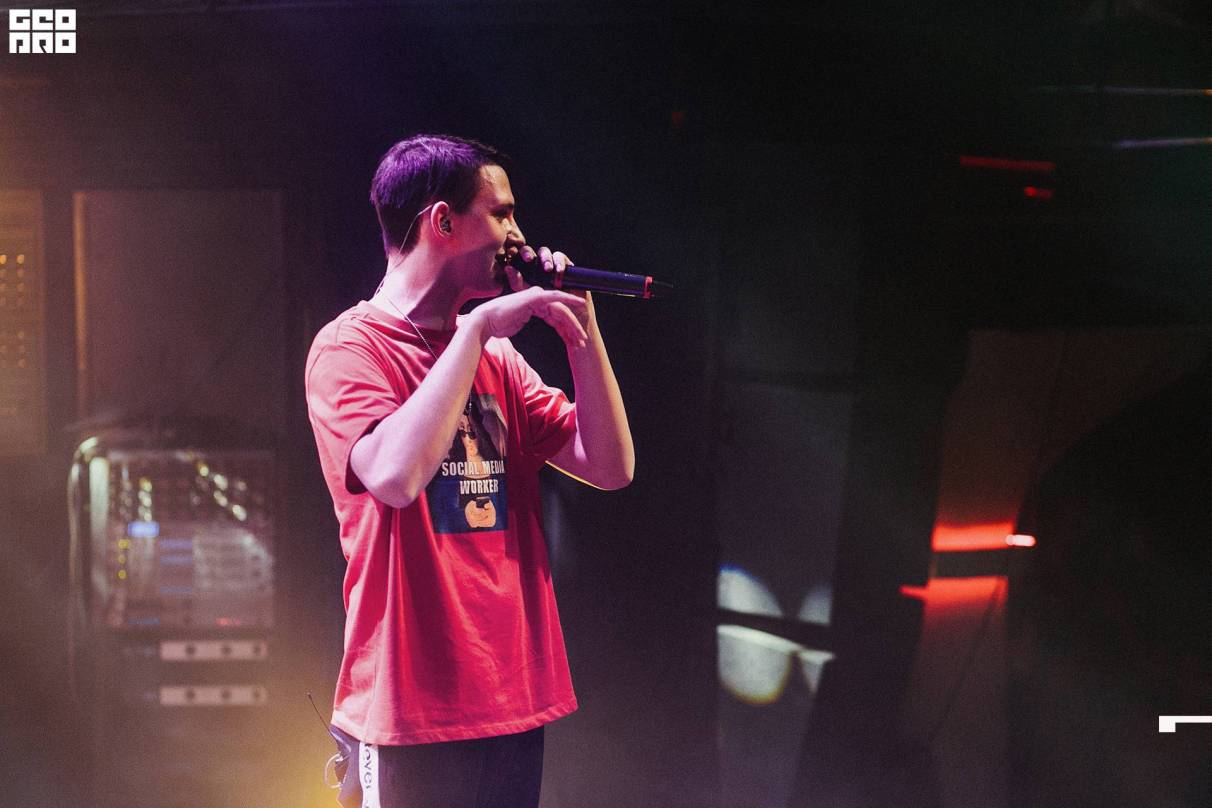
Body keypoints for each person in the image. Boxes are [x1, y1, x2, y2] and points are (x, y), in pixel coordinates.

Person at [304, 134, 634, 808]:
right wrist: (476, 330)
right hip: (408, 712)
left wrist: (583, 331)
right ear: (443, 223)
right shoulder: (349, 349)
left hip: (511, 698)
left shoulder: (500, 361)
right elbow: (396, 477)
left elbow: (610, 465)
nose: (519, 235)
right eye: (502, 213)